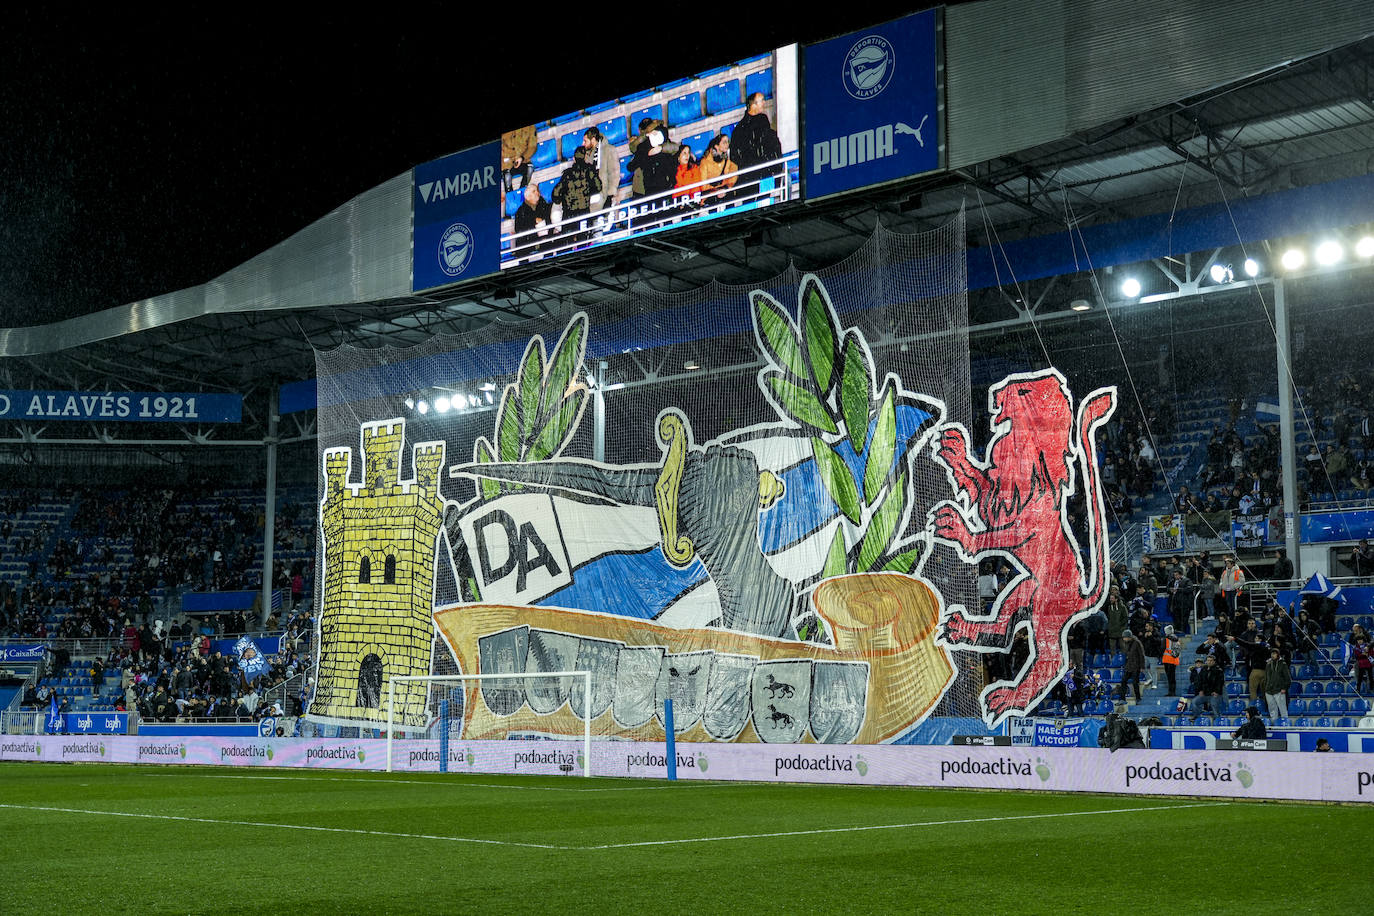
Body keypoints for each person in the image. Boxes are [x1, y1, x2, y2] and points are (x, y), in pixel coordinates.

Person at [729, 92, 783, 184]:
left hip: (767, 172)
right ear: (753, 105)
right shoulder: (740, 130)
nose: (764, 103)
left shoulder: (763, 119)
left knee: (768, 196)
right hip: (751, 176)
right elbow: (736, 155)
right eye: (761, 100)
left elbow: (772, 144)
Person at [551, 146, 601, 240]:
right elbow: (598, 187)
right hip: (584, 211)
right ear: (585, 158)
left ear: (574, 159)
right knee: (584, 240)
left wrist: (560, 200)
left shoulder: (567, 174)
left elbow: (556, 193)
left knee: (567, 241)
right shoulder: (590, 172)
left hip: (569, 213)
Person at [581, 126, 620, 214]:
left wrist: (611, 193)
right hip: (592, 195)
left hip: (606, 194)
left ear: (593, 139)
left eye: (585, 141)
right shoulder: (586, 155)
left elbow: (614, 173)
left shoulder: (609, 150)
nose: (583, 144)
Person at [512, 185, 553, 256]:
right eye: (534, 191)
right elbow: (519, 229)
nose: (537, 192)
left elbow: (548, 218)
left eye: (537, 190)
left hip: (545, 241)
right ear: (528, 197)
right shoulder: (521, 211)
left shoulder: (543, 204)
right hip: (529, 243)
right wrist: (533, 221)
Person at [698, 133, 738, 200]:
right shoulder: (705, 162)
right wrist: (716, 191)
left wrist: (726, 188)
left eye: (728, 142)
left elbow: (734, 169)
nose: (727, 144)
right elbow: (703, 185)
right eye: (724, 142)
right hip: (710, 196)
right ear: (716, 146)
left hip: (724, 193)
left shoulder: (726, 160)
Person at [501, 124, 537, 192]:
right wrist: (512, 158)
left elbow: (532, 147)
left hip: (523, 160)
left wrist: (522, 158)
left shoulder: (530, 127)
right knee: (507, 176)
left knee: (529, 168)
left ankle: (523, 190)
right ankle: (510, 195)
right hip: (508, 162)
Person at [1190, 654, 1226, 720]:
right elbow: (1199, 681)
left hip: (1214, 694)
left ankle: (1217, 719)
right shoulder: (1203, 669)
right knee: (1194, 701)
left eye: (1211, 660)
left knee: (1214, 704)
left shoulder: (1219, 671)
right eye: (1208, 660)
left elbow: (1220, 683)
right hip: (1205, 693)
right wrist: (1200, 690)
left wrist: (1216, 692)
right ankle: (1196, 716)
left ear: (1214, 661)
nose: (1209, 662)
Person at [1117, 628, 1145, 702]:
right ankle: (1122, 698)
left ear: (1129, 637)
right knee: (1123, 681)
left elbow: (1141, 655)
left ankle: (1138, 698)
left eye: (1124, 637)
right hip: (1128, 666)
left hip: (1136, 666)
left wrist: (1142, 666)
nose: (1123, 639)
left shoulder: (1137, 643)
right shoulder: (1126, 643)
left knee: (1135, 682)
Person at [1263, 647, 1291, 720]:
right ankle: (1274, 724)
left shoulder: (1283, 664)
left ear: (1278, 654)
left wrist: (1284, 688)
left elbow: (1288, 678)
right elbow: (1266, 677)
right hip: (1269, 690)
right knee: (1272, 709)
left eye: (1274, 654)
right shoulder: (1268, 664)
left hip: (1279, 690)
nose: (1273, 655)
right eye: (1272, 653)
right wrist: (1265, 687)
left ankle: (1285, 725)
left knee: (1282, 709)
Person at [1160, 624, 1181, 696]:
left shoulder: (1165, 639)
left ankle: (1170, 692)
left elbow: (1162, 649)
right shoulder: (1176, 639)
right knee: (1172, 677)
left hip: (1167, 660)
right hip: (1174, 660)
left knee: (1169, 677)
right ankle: (1173, 692)